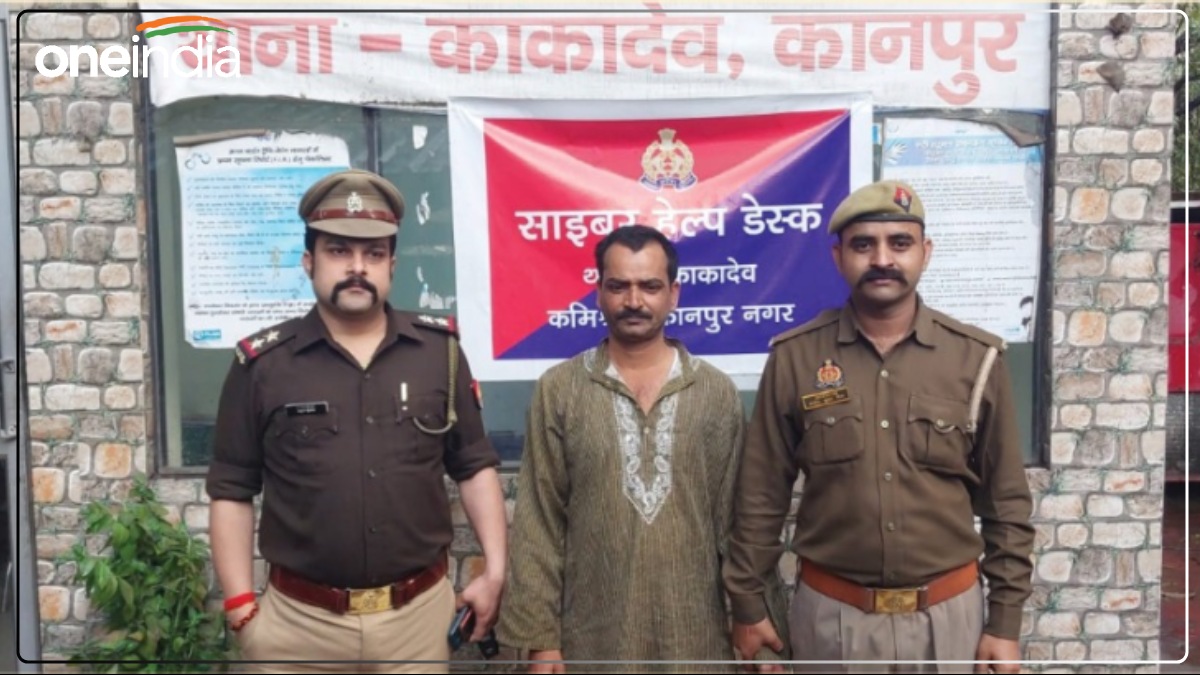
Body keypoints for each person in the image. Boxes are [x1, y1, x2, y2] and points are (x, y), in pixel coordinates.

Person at [723, 180, 1034, 674]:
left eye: (900, 243)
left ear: (925, 252)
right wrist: (747, 603)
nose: (882, 259)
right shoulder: (796, 358)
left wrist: (1005, 622)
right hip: (833, 619)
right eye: (863, 245)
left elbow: (1007, 504)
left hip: (949, 621)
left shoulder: (976, 359)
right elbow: (760, 495)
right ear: (838, 257)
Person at [206, 169, 508, 674]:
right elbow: (232, 490)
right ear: (309, 261)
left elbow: (474, 467)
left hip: (416, 625)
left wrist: (495, 571)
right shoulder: (263, 366)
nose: (357, 268)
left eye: (373, 254)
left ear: (392, 265)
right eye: (338, 251)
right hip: (298, 629)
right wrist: (240, 608)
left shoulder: (440, 354)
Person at [497, 225, 746, 673]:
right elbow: (539, 522)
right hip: (591, 644)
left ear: (673, 294)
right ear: (598, 293)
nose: (634, 301)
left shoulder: (715, 392)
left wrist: (756, 623)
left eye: (650, 286)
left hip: (696, 642)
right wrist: (540, 641)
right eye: (618, 286)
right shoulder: (560, 390)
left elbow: (738, 524)